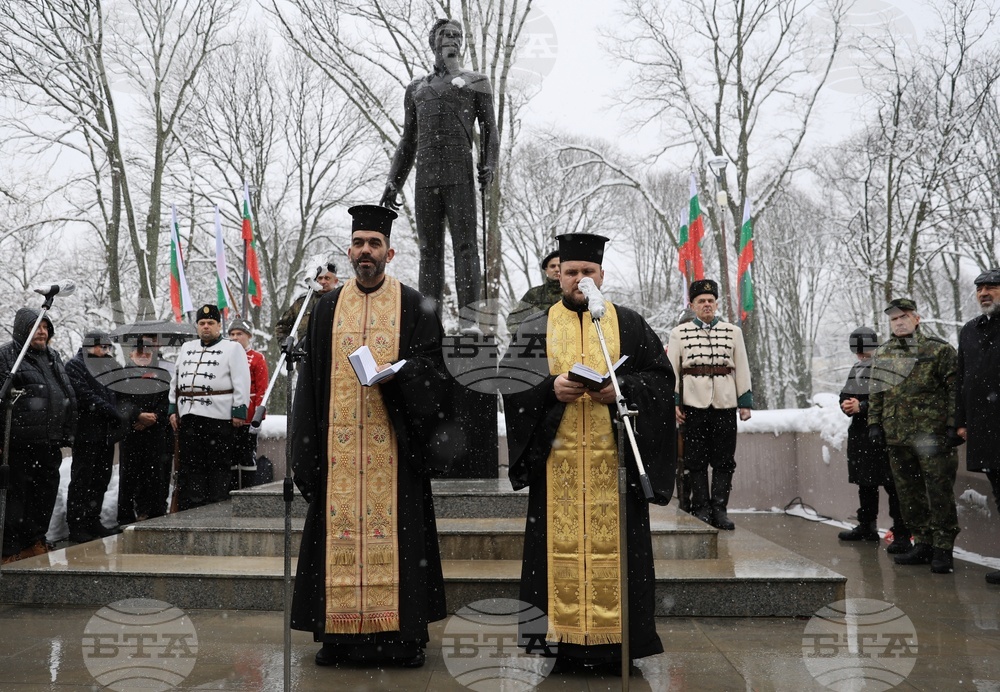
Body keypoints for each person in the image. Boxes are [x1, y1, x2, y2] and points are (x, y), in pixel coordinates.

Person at [502, 232, 675, 674]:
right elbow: (510, 386)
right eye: (572, 271)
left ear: (602, 275)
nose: (580, 279)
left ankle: (618, 642)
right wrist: (548, 389)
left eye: (589, 272)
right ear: (559, 275)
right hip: (557, 467)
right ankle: (561, 643)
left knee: (619, 554)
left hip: (612, 467)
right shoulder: (534, 328)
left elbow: (659, 381)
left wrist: (621, 390)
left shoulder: (630, 323)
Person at [290, 204, 453, 669]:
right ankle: (339, 638)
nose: (366, 251)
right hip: (338, 454)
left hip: (394, 451)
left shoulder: (414, 304)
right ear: (349, 249)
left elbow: (436, 371)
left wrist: (401, 377)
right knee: (335, 539)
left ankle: (401, 637)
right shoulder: (324, 309)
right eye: (359, 243)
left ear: (390, 251)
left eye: (374, 244)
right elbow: (311, 384)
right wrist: (307, 449)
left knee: (399, 541)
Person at [380, 18, 500, 314]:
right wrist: (394, 181)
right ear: (434, 40)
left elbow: (490, 131)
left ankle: (469, 323)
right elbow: (408, 140)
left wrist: (490, 164)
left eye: (458, 35)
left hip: (460, 174)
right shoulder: (416, 88)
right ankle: (428, 326)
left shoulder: (477, 82)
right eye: (447, 34)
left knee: (466, 248)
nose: (453, 39)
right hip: (426, 177)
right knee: (428, 252)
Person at [868, 298, 961, 574]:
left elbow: (955, 389)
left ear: (917, 319)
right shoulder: (884, 353)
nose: (899, 322)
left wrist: (953, 425)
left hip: (932, 438)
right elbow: (876, 391)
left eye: (904, 317)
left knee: (939, 492)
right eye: (894, 319)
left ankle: (943, 548)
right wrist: (874, 423)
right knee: (909, 494)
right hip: (897, 437)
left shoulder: (939, 349)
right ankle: (922, 543)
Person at [666, 279, 752, 530]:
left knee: (725, 461)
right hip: (693, 404)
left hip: (725, 403)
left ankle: (720, 510)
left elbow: (742, 366)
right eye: (701, 301)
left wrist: (744, 401)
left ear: (716, 304)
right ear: (692, 305)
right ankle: (701, 508)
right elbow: (672, 370)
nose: (706, 305)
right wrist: (674, 402)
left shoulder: (732, 332)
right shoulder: (679, 333)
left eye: (710, 301)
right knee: (695, 460)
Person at [0, 307, 76, 563]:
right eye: (36, 327)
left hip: (49, 444)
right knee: (16, 499)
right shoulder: (7, 357)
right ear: (23, 330)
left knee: (43, 498)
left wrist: (67, 431)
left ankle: (34, 542)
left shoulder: (52, 357)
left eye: (45, 327)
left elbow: (66, 394)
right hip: (19, 445)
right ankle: (10, 550)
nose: (42, 332)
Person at [168, 305, 250, 511]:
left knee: (218, 465)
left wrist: (239, 409)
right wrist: (172, 408)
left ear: (219, 325)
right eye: (202, 323)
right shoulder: (187, 348)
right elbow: (175, 380)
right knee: (191, 465)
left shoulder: (233, 348)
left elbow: (241, 379)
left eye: (210, 323)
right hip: (189, 415)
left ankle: (216, 507)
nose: (206, 327)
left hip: (219, 416)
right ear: (197, 326)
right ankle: (193, 507)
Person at [837, 327, 910, 552]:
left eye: (863, 350)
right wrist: (846, 405)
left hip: (882, 432)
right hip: (860, 433)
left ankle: (901, 532)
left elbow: (889, 400)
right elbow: (845, 394)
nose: (860, 355)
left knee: (892, 484)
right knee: (865, 483)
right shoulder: (857, 368)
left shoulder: (886, 367)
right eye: (856, 351)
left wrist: (863, 406)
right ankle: (866, 525)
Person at [956, 269, 1000, 584]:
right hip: (985, 429)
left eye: (992, 287)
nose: (984, 293)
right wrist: (960, 421)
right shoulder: (970, 330)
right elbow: (962, 379)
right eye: (980, 288)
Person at [65, 330, 123, 543]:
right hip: (86, 433)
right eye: (102, 346)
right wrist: (112, 411)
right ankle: (77, 523)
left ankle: (92, 519)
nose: (105, 350)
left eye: (108, 347)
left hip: (105, 434)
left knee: (101, 479)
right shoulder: (75, 365)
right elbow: (84, 395)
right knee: (83, 479)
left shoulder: (108, 365)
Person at [113, 338, 173, 524]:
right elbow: (120, 402)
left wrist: (153, 418)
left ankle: (154, 512)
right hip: (131, 433)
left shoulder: (161, 375)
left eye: (147, 353)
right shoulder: (122, 376)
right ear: (131, 354)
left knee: (155, 476)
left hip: (155, 434)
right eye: (140, 353)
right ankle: (125, 516)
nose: (143, 357)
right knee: (129, 477)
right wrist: (137, 416)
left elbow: (166, 402)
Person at [227, 318, 268, 490]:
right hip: (227, 414)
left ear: (248, 336)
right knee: (229, 457)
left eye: (239, 334)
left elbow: (262, 389)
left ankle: (248, 492)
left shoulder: (257, 358)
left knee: (247, 455)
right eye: (232, 334)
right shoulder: (225, 356)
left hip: (249, 417)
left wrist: (258, 416)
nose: (235, 337)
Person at [274, 263, 338, 346]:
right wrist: (287, 346)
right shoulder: (303, 303)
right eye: (320, 278)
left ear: (335, 281)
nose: (323, 282)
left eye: (327, 278)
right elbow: (282, 326)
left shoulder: (342, 301)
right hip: (307, 354)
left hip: (335, 353)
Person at [506, 249, 561, 335]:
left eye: (560, 266)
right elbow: (513, 320)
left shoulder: (576, 293)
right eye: (552, 266)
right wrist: (528, 338)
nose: (557, 269)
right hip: (540, 345)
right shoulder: (534, 294)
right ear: (546, 270)